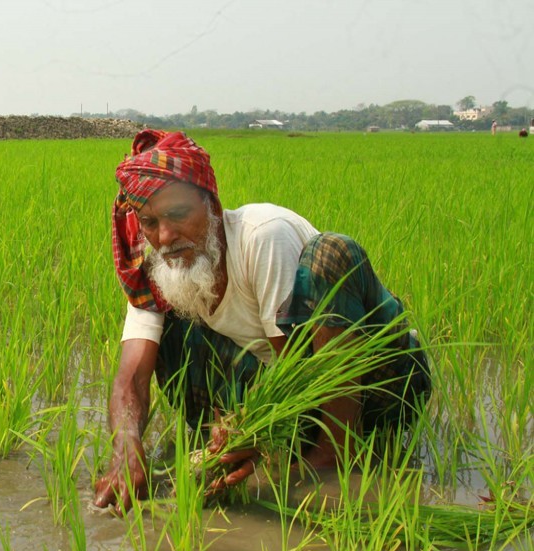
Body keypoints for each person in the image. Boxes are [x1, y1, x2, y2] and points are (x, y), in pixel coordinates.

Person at [93, 130, 431, 511]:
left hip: (374, 388)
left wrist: (258, 431)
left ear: (213, 206)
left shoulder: (262, 237)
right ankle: (232, 452)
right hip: (287, 396)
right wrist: (125, 449)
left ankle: (332, 458)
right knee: (169, 323)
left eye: (178, 214)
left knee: (331, 255)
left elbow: (297, 371)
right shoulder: (157, 270)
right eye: (150, 222)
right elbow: (131, 378)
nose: (166, 236)